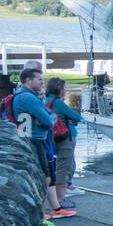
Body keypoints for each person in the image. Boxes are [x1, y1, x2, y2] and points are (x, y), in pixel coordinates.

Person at [9, 67, 74, 226]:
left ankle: (56, 209)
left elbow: (50, 116)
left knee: (50, 176)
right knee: (43, 178)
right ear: (28, 80)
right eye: (39, 79)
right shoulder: (27, 98)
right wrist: (45, 119)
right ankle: (41, 217)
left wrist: (46, 118)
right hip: (34, 141)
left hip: (41, 139)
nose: (42, 82)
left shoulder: (31, 97)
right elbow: (49, 119)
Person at [45, 78, 83, 210]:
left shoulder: (46, 101)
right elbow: (77, 117)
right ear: (58, 89)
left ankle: (61, 194)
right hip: (65, 137)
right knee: (65, 166)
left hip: (54, 137)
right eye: (64, 88)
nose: (65, 90)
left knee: (61, 165)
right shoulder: (57, 103)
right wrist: (71, 119)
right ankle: (60, 198)